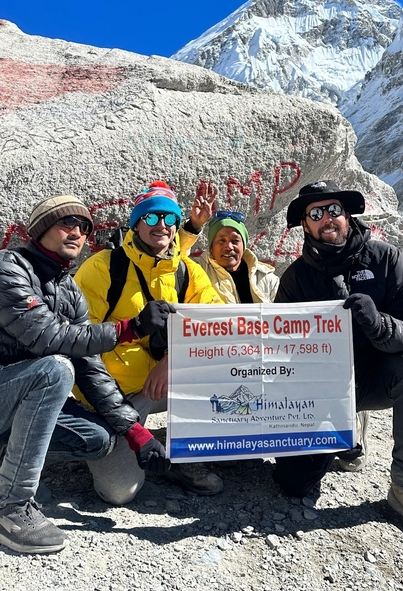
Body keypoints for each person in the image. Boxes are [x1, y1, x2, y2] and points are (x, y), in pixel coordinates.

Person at [272, 180, 403, 543]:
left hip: (375, 377)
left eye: (333, 209)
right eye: (316, 214)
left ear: (347, 215)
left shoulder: (385, 259)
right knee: (294, 484)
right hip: (322, 390)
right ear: (306, 225)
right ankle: (342, 430)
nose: (327, 219)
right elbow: (278, 346)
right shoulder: (295, 278)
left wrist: (378, 323)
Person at [0, 195, 171, 555]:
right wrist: (130, 327)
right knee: (55, 369)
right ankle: (11, 505)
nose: (77, 232)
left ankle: (7, 463)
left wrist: (136, 432)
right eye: (67, 223)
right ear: (41, 229)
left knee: (99, 439)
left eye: (84, 227)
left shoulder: (68, 289)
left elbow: (90, 364)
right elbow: (50, 337)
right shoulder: (9, 268)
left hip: (20, 400)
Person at [75, 180, 225, 502]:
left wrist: (172, 363)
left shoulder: (186, 271)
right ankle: (134, 441)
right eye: (152, 217)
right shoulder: (103, 268)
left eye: (169, 219)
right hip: (113, 394)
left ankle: (181, 455)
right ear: (136, 223)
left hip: (166, 380)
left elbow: (217, 323)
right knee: (118, 491)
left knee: (225, 380)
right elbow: (78, 342)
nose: (162, 225)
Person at [196, 210, 279, 303]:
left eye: (235, 241)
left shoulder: (267, 279)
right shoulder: (199, 272)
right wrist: (193, 226)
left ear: (244, 246)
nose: (229, 247)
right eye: (222, 240)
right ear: (211, 247)